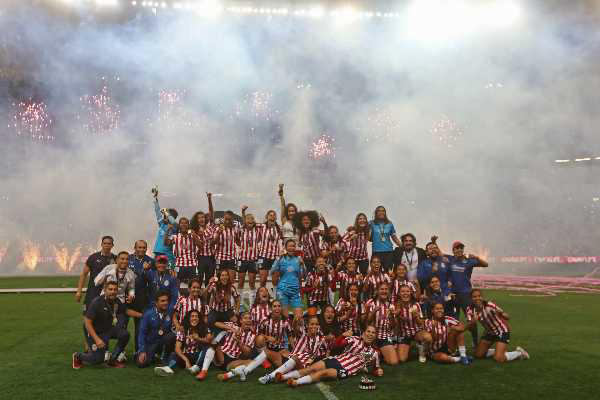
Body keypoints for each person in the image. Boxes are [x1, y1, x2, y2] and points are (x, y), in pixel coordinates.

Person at [284, 325, 383, 387]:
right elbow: (335, 345)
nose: (370, 334)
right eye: (368, 331)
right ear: (364, 333)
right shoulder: (354, 339)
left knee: (324, 373)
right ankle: (283, 377)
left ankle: (296, 382)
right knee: (310, 369)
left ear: (375, 336)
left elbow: (375, 368)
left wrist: (377, 371)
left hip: (345, 370)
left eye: (373, 333)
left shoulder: (374, 353)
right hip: (336, 360)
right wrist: (343, 336)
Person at [72, 281, 140, 369]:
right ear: (105, 290)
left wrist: (142, 315)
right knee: (98, 359)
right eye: (110, 289)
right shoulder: (97, 302)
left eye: (115, 289)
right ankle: (78, 356)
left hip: (107, 329)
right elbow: (87, 322)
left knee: (125, 334)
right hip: (93, 331)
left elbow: (126, 311)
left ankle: (112, 360)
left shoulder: (116, 301)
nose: (113, 292)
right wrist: (97, 340)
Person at [258, 315, 328, 384]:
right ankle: (248, 370)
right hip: (289, 359)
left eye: (316, 324)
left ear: (319, 326)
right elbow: (295, 328)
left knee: (296, 358)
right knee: (268, 353)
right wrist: (296, 320)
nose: (314, 326)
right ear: (307, 325)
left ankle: (270, 376)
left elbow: (327, 351)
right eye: (312, 324)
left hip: (302, 365)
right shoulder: (303, 333)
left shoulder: (322, 339)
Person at [75, 235, 117, 351]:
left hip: (107, 296)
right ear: (101, 244)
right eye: (105, 243)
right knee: (88, 319)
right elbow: (84, 274)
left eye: (109, 244)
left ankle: (102, 343)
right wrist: (79, 291)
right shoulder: (93, 258)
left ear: (112, 245)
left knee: (105, 320)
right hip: (92, 294)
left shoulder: (115, 259)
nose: (107, 245)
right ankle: (87, 343)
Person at [467, 289, 530, 363]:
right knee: (478, 355)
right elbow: (469, 327)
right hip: (489, 332)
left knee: (498, 358)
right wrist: (472, 322)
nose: (477, 298)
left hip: (502, 330)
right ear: (471, 299)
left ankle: (519, 353)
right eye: (474, 297)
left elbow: (508, 317)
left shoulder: (489, 305)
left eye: (479, 296)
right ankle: (498, 350)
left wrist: (501, 314)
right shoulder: (470, 310)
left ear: (482, 297)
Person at [449, 241, 488, 346]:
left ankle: (475, 342)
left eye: (460, 248)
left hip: (466, 294)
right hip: (453, 295)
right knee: (454, 320)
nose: (459, 250)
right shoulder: (450, 259)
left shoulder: (469, 261)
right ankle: (454, 343)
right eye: (456, 248)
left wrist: (476, 257)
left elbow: (486, 264)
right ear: (453, 251)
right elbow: (438, 254)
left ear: (463, 250)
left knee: (471, 318)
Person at [154, 309, 213, 376]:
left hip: (198, 355)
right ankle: (169, 368)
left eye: (196, 316)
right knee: (174, 354)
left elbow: (209, 340)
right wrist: (186, 360)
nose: (194, 318)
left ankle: (196, 367)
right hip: (187, 355)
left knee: (208, 348)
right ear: (188, 319)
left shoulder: (204, 328)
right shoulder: (183, 330)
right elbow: (177, 348)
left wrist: (198, 338)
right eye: (192, 316)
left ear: (199, 319)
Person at [136, 289, 177, 368]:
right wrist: (142, 351)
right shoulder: (148, 314)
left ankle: (165, 357)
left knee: (172, 336)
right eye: (162, 301)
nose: (165, 303)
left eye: (166, 300)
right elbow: (142, 333)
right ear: (156, 303)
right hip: (150, 344)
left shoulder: (170, 313)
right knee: (141, 364)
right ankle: (151, 356)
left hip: (162, 343)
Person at [214, 312, 258, 382]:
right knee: (216, 344)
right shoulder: (234, 326)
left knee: (253, 363)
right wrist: (232, 329)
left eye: (250, 318)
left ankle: (228, 375)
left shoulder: (252, 335)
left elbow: (247, 353)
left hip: (234, 360)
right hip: (223, 354)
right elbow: (216, 323)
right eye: (245, 318)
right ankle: (238, 371)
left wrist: (239, 342)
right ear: (240, 321)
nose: (248, 320)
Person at [128, 241, 154, 352]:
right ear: (134, 247)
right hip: (127, 298)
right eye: (139, 247)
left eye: (144, 247)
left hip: (142, 299)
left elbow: (153, 279)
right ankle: (120, 353)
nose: (142, 249)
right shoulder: (127, 259)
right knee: (121, 324)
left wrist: (147, 270)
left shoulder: (150, 261)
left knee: (140, 327)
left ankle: (138, 351)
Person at [270, 239, 304, 321]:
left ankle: (297, 333)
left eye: (293, 246)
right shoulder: (281, 259)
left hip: (295, 291)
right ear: (285, 247)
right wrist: (278, 258)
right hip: (283, 290)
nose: (292, 248)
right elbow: (272, 271)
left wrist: (303, 265)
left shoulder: (298, 259)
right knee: (285, 318)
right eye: (290, 246)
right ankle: (286, 333)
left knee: (299, 318)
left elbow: (304, 275)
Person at [393, 285, 428, 363]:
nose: (405, 293)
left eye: (407, 291)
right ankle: (409, 347)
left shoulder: (416, 305)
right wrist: (396, 317)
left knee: (427, 337)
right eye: (403, 291)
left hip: (416, 332)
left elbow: (421, 324)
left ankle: (422, 351)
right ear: (399, 293)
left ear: (411, 293)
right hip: (404, 334)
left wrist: (416, 316)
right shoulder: (396, 306)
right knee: (402, 359)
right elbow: (395, 326)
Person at [365, 282, 397, 365]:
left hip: (385, 337)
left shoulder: (391, 306)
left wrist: (391, 317)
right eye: (382, 289)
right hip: (372, 337)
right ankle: (377, 352)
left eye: (386, 289)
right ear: (377, 291)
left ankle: (381, 353)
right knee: (367, 362)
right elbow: (366, 322)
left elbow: (393, 326)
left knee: (394, 362)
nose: (384, 291)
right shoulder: (371, 303)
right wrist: (374, 312)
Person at [255, 300, 293, 368]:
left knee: (288, 360)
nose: (277, 308)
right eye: (274, 306)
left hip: (279, 348)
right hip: (266, 347)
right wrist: (267, 337)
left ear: (281, 308)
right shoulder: (265, 320)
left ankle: (269, 358)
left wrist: (293, 349)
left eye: (279, 306)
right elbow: (258, 334)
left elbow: (290, 336)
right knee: (260, 338)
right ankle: (264, 359)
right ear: (270, 309)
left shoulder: (285, 321)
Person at [165, 217, 202, 284]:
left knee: (193, 284)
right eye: (182, 223)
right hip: (179, 265)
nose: (184, 225)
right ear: (179, 225)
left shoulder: (193, 236)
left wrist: (194, 235)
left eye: (186, 223)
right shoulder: (175, 237)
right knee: (176, 284)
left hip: (192, 265)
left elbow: (200, 246)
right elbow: (166, 243)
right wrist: (168, 230)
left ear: (188, 225)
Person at [237, 206, 263, 303]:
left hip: (253, 260)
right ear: (245, 221)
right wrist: (243, 212)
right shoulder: (242, 230)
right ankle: (239, 302)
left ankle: (253, 303)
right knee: (241, 282)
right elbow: (244, 221)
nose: (250, 221)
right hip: (242, 259)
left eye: (252, 219)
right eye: (248, 219)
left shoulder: (257, 231)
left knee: (252, 282)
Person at [190, 192, 216, 288]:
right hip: (200, 258)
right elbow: (197, 245)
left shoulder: (210, 226)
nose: (201, 219)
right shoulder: (194, 230)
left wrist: (209, 199)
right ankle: (199, 301)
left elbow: (211, 211)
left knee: (210, 281)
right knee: (199, 280)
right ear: (196, 220)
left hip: (211, 258)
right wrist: (196, 236)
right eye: (199, 218)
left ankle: (208, 301)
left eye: (203, 217)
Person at [152, 188, 178, 272]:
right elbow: (157, 212)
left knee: (167, 275)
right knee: (156, 275)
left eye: (166, 215)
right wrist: (155, 198)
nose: (164, 216)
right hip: (157, 253)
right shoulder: (162, 224)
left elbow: (173, 222)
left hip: (167, 255)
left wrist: (166, 213)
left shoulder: (174, 227)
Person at [369, 206, 400, 273]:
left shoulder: (389, 224)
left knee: (388, 272)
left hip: (388, 252)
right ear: (376, 213)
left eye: (383, 211)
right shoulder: (371, 223)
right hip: (376, 251)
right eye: (379, 211)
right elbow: (367, 236)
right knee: (376, 272)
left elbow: (394, 237)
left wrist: (402, 245)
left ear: (385, 213)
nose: (381, 212)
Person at [213, 210, 241, 284]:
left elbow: (238, 242)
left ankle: (230, 295)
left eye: (229, 219)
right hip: (220, 257)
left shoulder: (235, 229)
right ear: (223, 219)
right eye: (226, 219)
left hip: (231, 257)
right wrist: (219, 233)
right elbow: (213, 243)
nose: (228, 221)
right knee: (219, 281)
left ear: (232, 219)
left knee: (231, 281)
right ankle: (219, 295)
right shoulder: (218, 228)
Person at [257, 209, 282, 290]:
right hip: (264, 256)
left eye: (274, 215)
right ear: (267, 217)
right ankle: (261, 299)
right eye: (270, 215)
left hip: (275, 257)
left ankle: (276, 299)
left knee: (275, 281)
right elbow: (248, 223)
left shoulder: (279, 228)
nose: (272, 216)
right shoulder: (262, 226)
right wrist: (243, 212)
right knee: (263, 280)